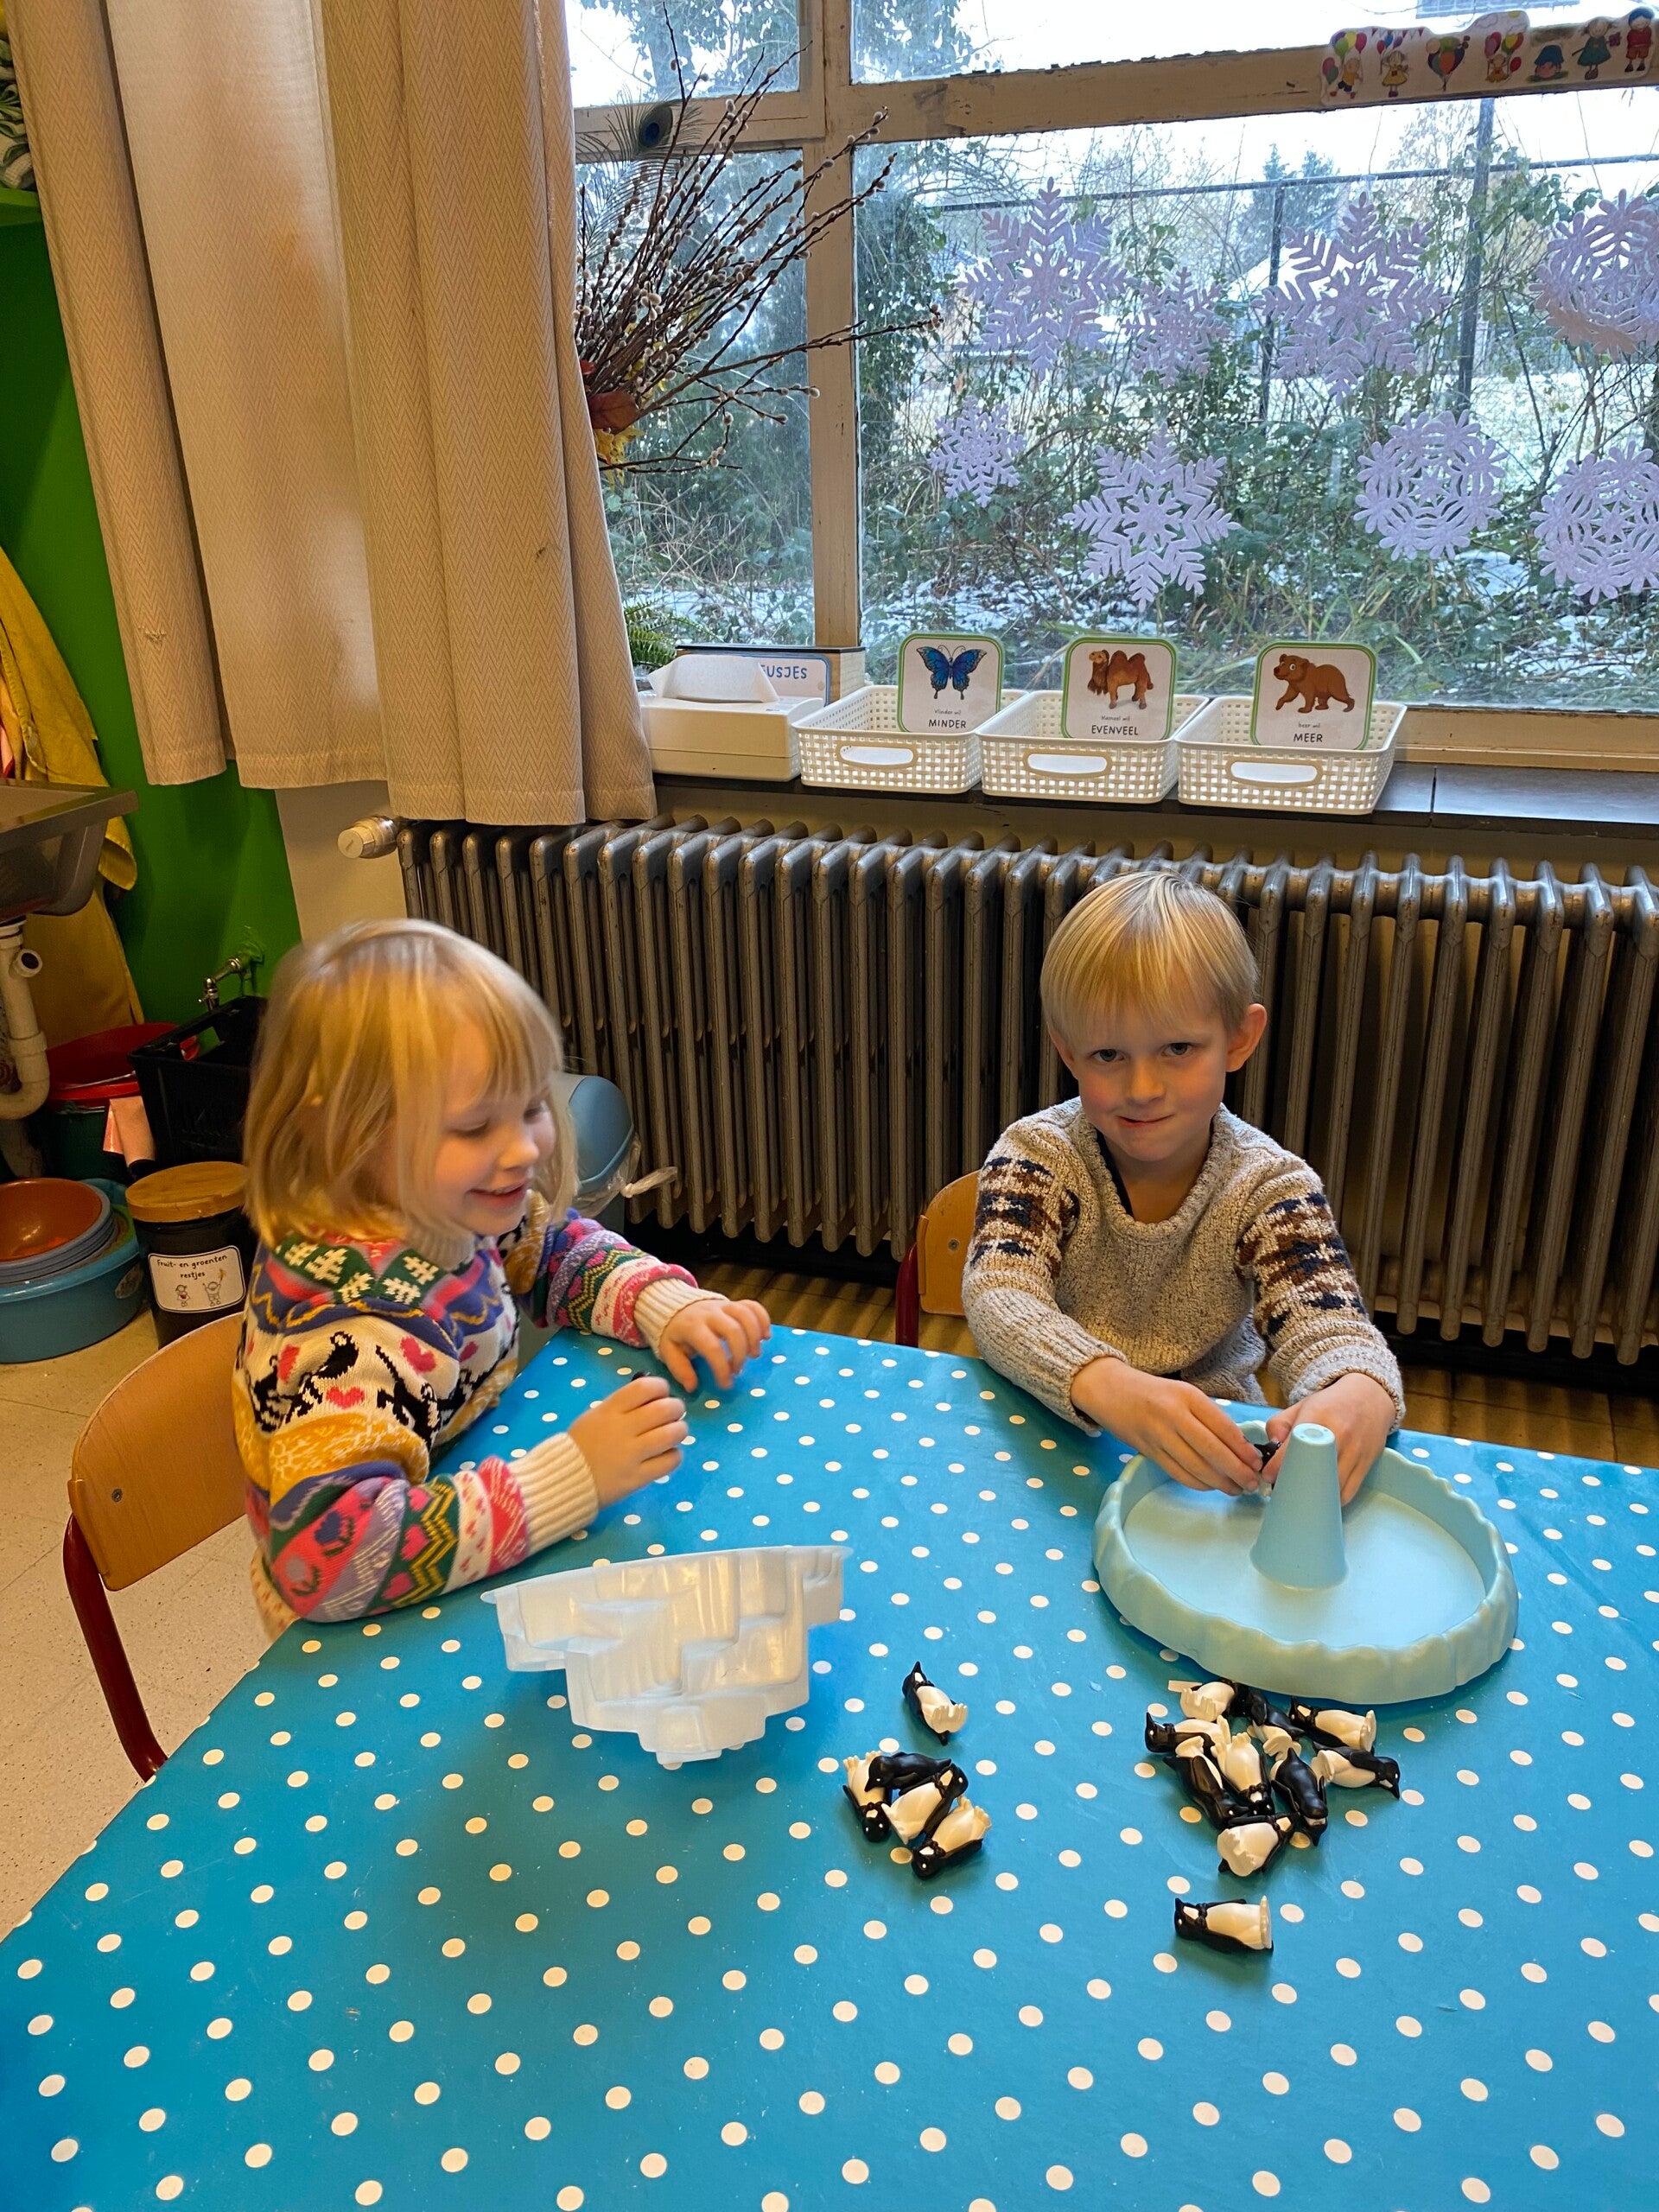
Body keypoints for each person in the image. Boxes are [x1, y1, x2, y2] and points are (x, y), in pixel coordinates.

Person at [234, 919, 770, 1630]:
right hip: (365, 1631)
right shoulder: (353, 1335)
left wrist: (661, 1304)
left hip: (461, 1512)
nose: (523, 1149)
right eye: (473, 1127)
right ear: (343, 1133)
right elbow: (329, 1565)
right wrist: (572, 1477)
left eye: (532, 1106)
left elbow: (552, 1252)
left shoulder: (441, 1205)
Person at [962, 872, 1402, 1501]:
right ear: (1068, 1053)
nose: (1142, 1089)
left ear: (1239, 1040)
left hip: (1212, 1463)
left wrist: (1359, 1389)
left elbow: (1330, 1328)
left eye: (1177, 1048)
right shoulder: (1039, 1155)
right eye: (1108, 1055)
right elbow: (999, 1294)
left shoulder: (1269, 1185)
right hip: (1054, 1427)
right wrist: (1105, 1382)